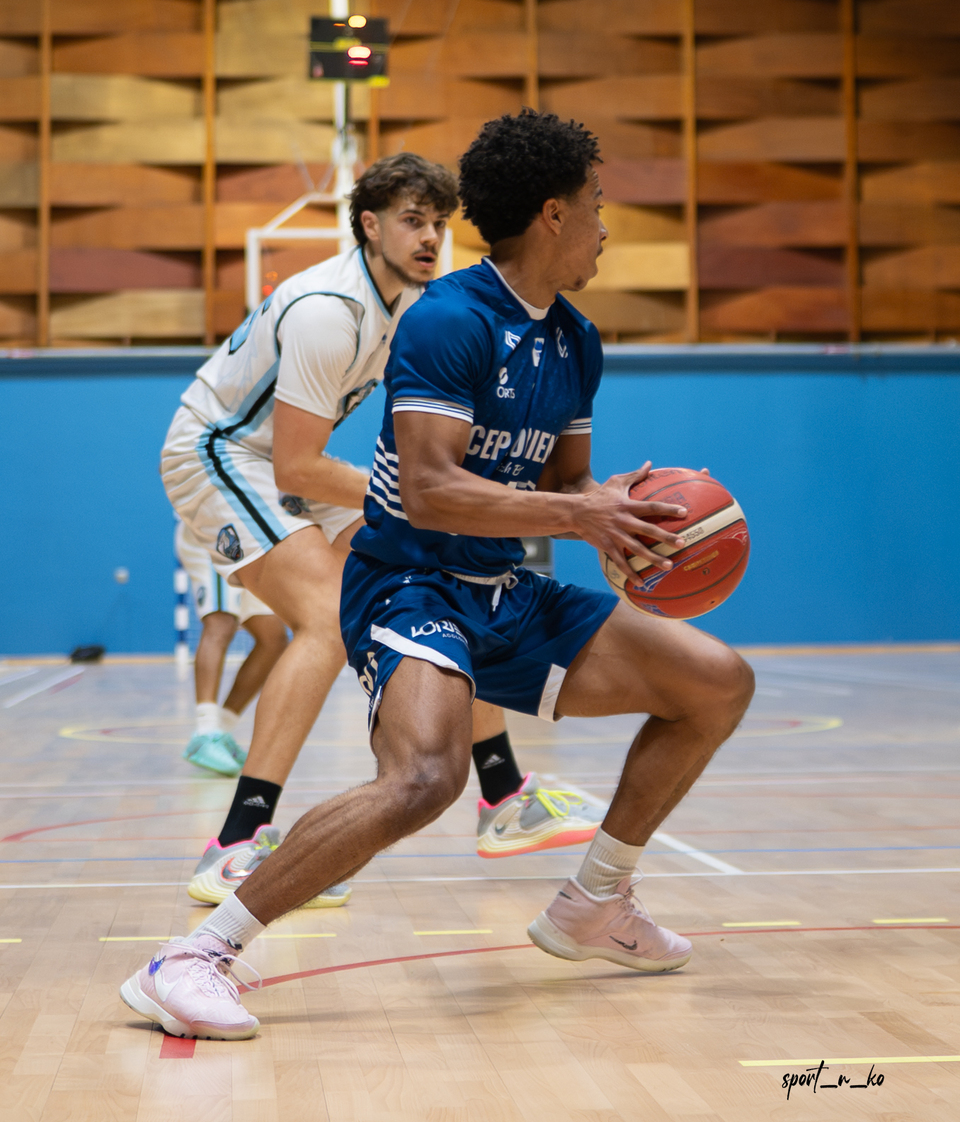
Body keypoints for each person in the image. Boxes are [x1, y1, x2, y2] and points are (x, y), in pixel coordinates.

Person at [120, 111, 754, 1041]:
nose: (605, 226)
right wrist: (577, 515)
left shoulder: (576, 340)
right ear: (552, 214)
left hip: (502, 588)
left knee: (716, 683)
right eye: (595, 205)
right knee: (424, 776)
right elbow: (426, 490)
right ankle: (193, 958)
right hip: (409, 584)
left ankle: (595, 901)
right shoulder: (450, 319)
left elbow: (564, 486)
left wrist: (617, 516)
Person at [159, 153, 603, 910]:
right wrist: (417, 495)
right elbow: (297, 465)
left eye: (439, 223)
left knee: (444, 569)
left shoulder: (419, 304)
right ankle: (237, 840)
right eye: (411, 221)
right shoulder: (329, 311)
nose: (430, 237)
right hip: (220, 452)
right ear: (369, 224)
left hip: (284, 463)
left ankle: (502, 794)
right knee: (325, 617)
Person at [175, 521, 289, 776]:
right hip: (216, 528)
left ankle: (222, 730)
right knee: (221, 622)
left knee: (273, 639)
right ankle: (206, 732)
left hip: (253, 539)